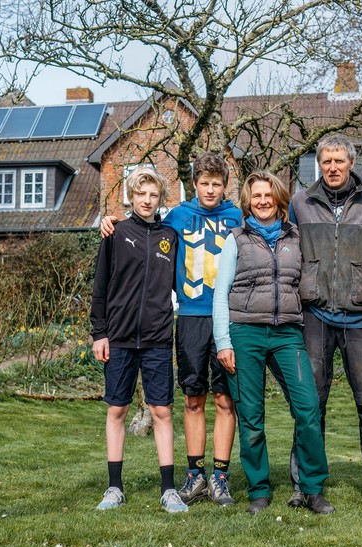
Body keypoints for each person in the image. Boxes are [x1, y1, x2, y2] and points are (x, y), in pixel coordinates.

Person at [99, 154, 242, 506]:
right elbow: (143, 229)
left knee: (225, 398)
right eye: (204, 183)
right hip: (190, 317)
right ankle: (194, 475)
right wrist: (109, 221)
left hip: (228, 316)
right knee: (194, 398)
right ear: (194, 185)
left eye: (216, 184)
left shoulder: (238, 218)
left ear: (225, 187)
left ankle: (220, 476)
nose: (210, 189)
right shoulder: (176, 218)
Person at [213, 170, 334, 515]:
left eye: (268, 195)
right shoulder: (235, 239)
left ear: (279, 200)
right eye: (256, 196)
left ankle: (312, 488)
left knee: (308, 408)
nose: (262, 201)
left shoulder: (296, 237)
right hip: (245, 332)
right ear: (247, 203)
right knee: (251, 416)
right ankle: (259, 490)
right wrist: (223, 341)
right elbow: (220, 294)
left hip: (287, 334)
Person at [289, 135, 362, 509]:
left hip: (360, 315)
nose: (332, 167)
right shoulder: (300, 202)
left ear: (351, 163)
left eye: (339, 161)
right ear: (319, 164)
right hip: (314, 313)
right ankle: (304, 483)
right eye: (326, 161)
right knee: (311, 402)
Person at [90, 166, 187, 513]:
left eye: (154, 195)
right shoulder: (115, 233)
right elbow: (100, 288)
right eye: (141, 194)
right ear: (132, 196)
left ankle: (169, 489)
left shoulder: (171, 237)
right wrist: (98, 333)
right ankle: (114, 487)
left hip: (159, 338)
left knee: (162, 410)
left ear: (161, 198)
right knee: (118, 409)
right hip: (118, 337)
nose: (147, 200)